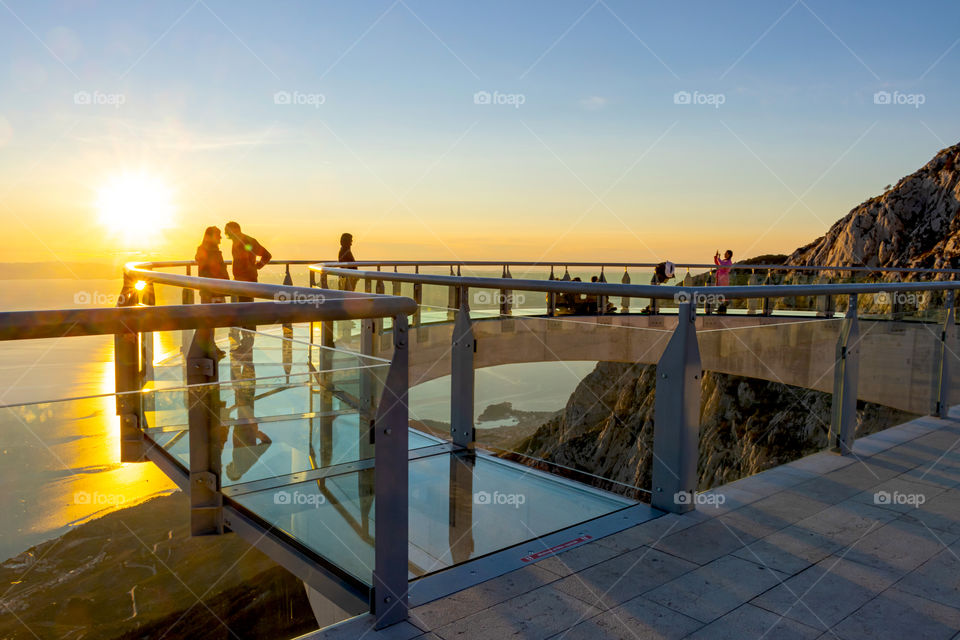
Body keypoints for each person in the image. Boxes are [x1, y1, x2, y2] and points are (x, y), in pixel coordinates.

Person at [225, 221, 272, 289]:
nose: (225, 233)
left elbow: (267, 255)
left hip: (248, 280)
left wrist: (257, 266)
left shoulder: (249, 241)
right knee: (242, 299)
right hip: (239, 280)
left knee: (246, 299)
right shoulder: (236, 241)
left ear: (235, 230)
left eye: (227, 231)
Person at [194, 226, 228, 303]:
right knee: (216, 313)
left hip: (216, 290)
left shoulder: (211, 250)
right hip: (213, 292)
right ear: (209, 237)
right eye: (218, 235)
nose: (220, 237)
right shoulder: (209, 251)